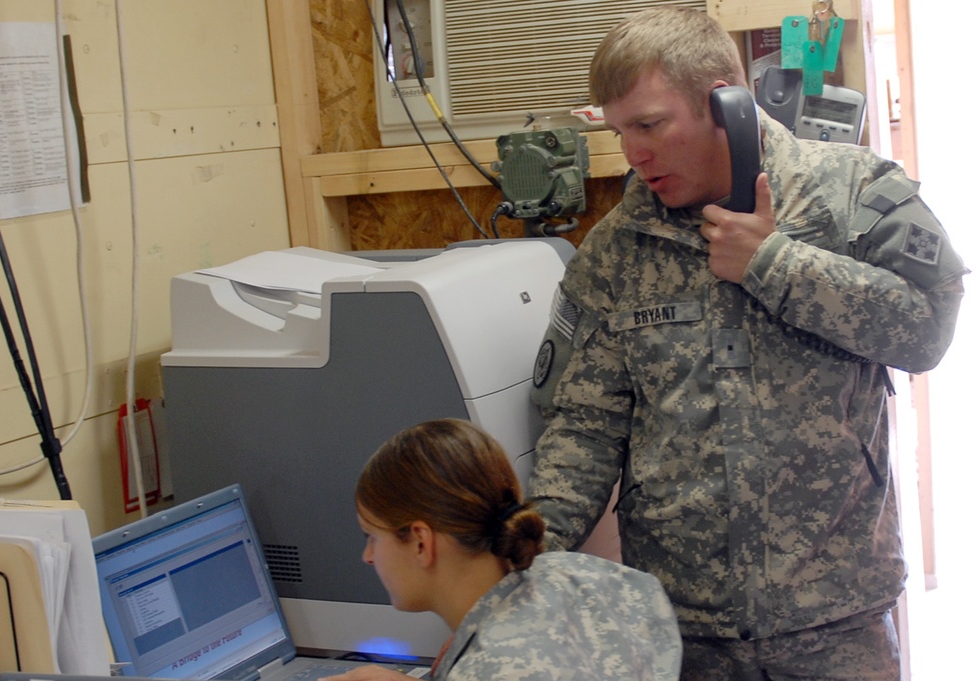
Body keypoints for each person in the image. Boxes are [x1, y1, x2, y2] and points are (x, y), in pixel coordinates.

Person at [527, 7, 967, 681]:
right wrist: (521, 567)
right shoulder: (616, 249)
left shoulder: (851, 193)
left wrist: (775, 264)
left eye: (649, 124)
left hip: (835, 619)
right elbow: (584, 428)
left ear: (726, 104)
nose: (632, 154)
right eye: (620, 131)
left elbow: (928, 330)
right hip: (685, 629)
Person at [323, 418, 682, 681]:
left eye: (371, 536)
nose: (368, 557)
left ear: (421, 542)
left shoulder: (491, 667)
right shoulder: (585, 576)